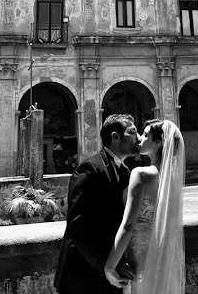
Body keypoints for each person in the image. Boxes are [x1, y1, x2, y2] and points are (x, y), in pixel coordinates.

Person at [54, 114, 140, 294]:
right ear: (115, 137)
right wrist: (106, 267)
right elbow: (77, 224)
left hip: (110, 275)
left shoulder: (125, 172)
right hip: (83, 274)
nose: (138, 138)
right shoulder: (90, 168)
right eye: (132, 132)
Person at [104, 119, 185, 294]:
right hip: (165, 258)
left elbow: (129, 224)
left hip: (140, 259)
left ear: (158, 143)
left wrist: (110, 266)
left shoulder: (141, 174)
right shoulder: (172, 179)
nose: (140, 138)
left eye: (146, 135)